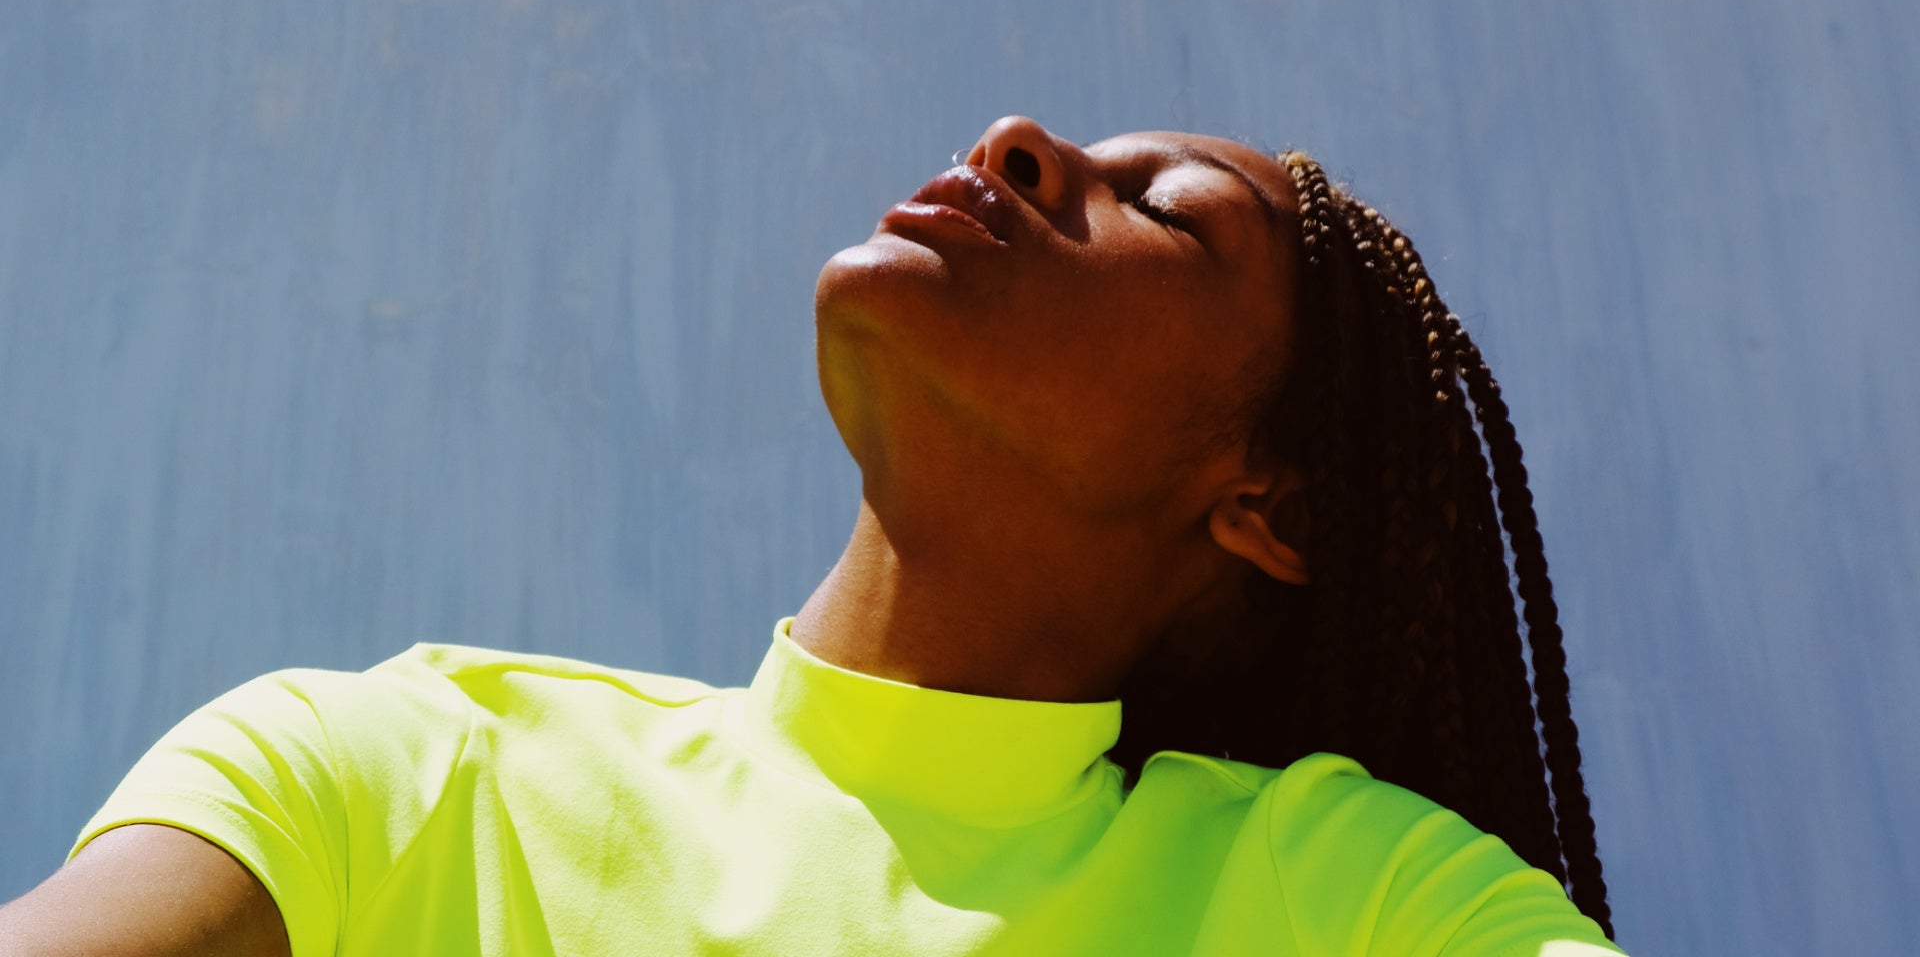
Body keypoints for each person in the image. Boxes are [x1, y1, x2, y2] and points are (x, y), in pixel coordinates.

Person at [0, 117, 1626, 955]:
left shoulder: (1353, 896)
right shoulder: (394, 770)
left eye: (1164, 211)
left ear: (1267, 508)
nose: (1015, 142)